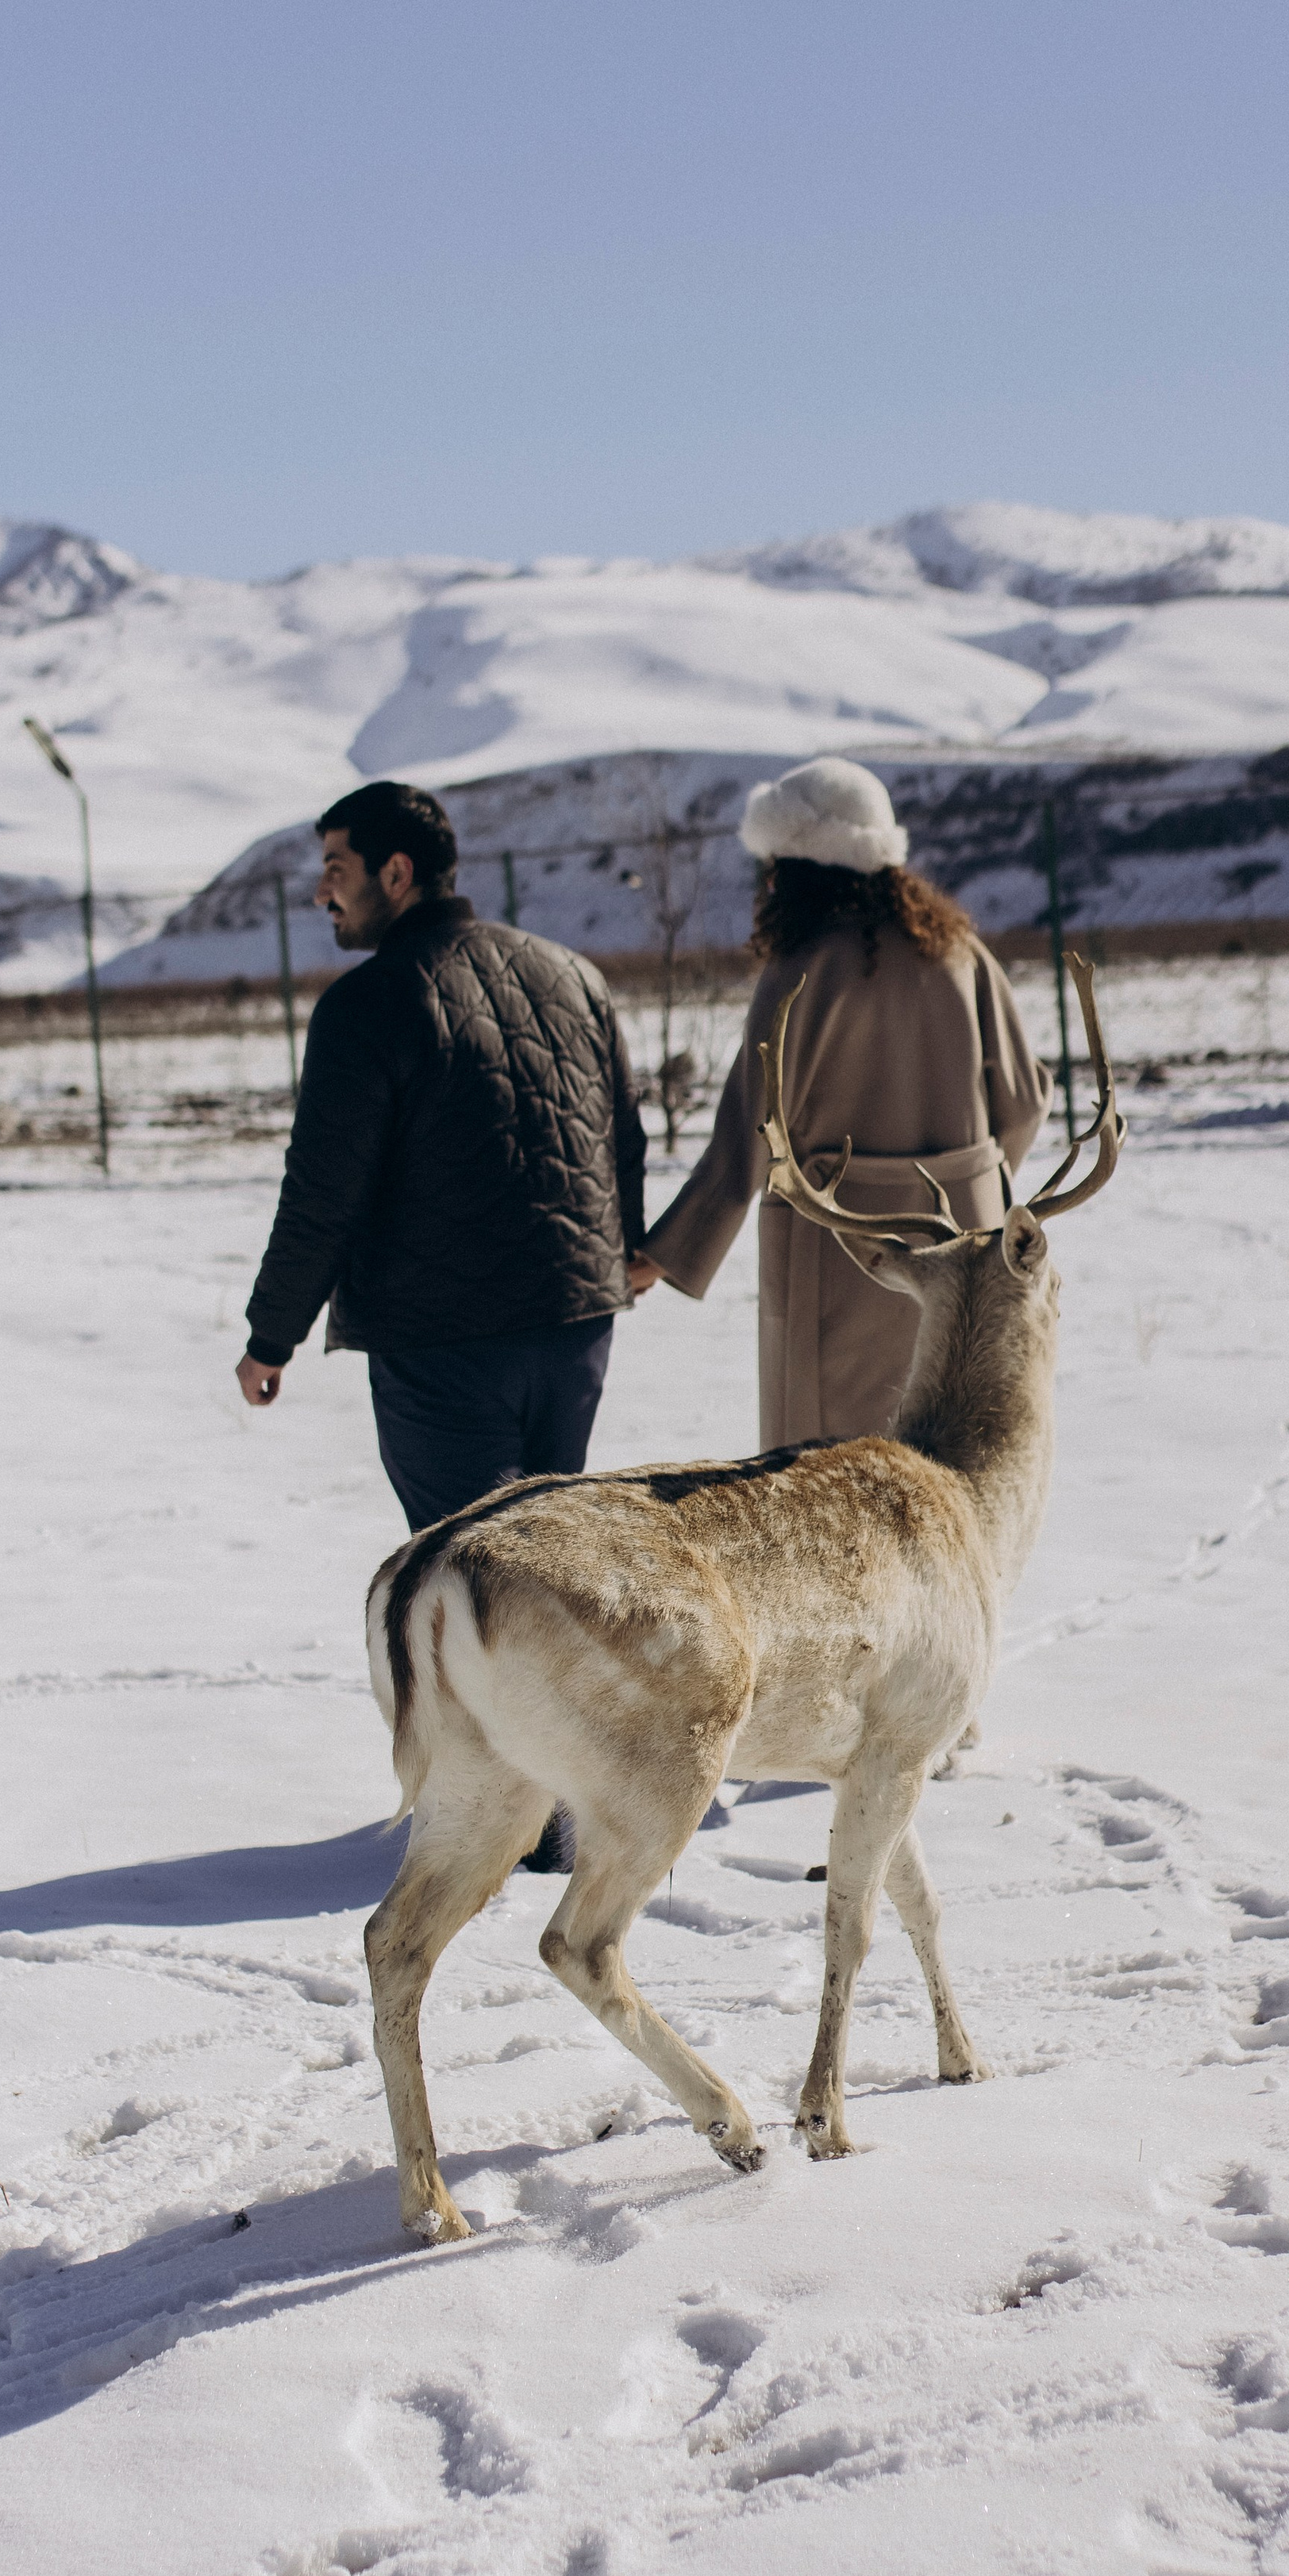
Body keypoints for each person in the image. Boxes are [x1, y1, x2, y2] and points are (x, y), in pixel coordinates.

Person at [237, 779, 648, 1868]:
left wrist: (270, 1335)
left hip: (443, 1347)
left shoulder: (367, 1006)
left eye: (336, 868)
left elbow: (321, 1188)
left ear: (396, 874)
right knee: (552, 1574)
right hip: (572, 1324)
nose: (323, 893)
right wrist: (622, 1251)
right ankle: (566, 1810)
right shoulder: (574, 974)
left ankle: (513, 1825)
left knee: (472, 1586)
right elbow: (623, 1138)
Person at [634, 756, 1052, 1448]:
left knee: (827, 1481)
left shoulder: (800, 968)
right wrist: (970, 1179)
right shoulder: (961, 954)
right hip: (966, 1255)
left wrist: (667, 1255)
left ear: (798, 865)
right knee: (954, 1467)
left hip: (838, 1252)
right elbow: (1025, 1103)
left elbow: (750, 1136)